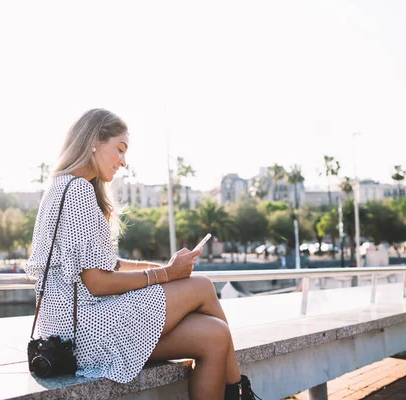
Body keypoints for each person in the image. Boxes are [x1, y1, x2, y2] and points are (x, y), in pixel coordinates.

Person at [24, 109, 259, 400]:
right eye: (119, 150)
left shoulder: (59, 187)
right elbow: (97, 282)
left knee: (215, 335)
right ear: (94, 141)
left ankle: (239, 391)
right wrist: (167, 274)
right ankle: (240, 390)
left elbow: (108, 265)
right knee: (202, 286)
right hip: (85, 332)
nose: (123, 162)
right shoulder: (78, 191)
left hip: (67, 332)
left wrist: (163, 267)